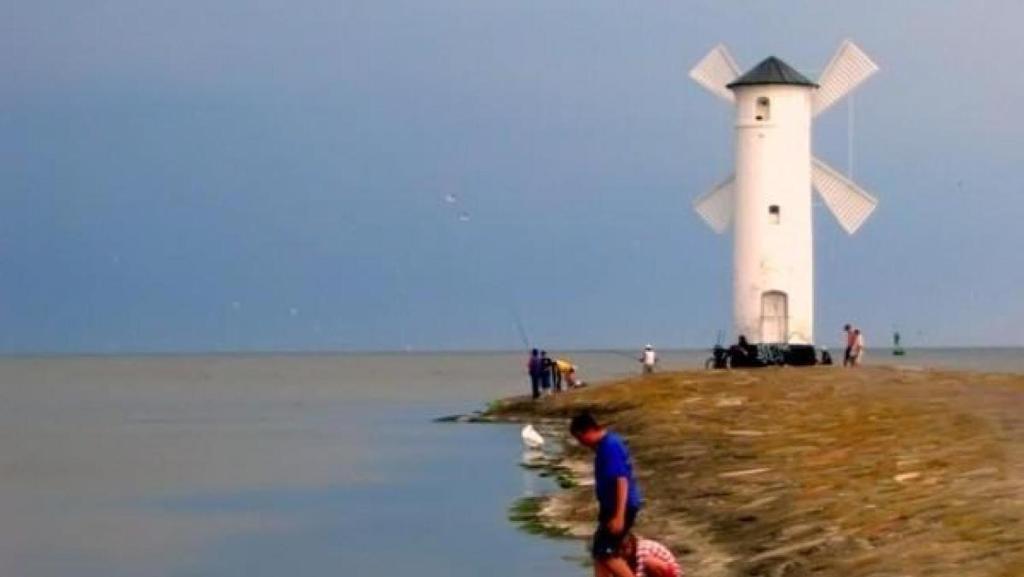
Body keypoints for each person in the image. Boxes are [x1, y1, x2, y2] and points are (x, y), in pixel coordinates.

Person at [570, 412, 643, 577]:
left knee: (605, 553)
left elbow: (621, 480)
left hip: (620, 507)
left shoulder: (610, 446)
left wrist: (619, 516)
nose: (582, 444)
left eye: (580, 439)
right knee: (599, 552)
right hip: (610, 507)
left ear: (587, 431)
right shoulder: (604, 446)